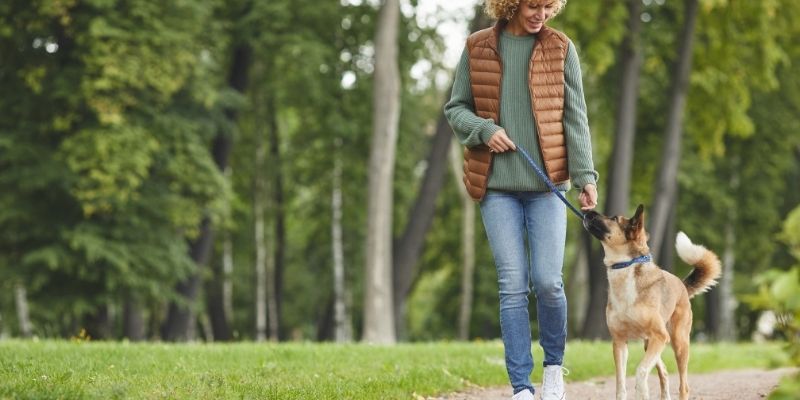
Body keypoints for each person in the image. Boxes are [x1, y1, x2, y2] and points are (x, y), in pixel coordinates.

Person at [444, 1, 598, 399]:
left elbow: (575, 117)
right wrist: (483, 130)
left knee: (548, 281)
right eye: (533, 4)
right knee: (512, 286)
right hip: (496, 187)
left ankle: (553, 368)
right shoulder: (477, 46)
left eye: (548, 6)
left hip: (548, 187)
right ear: (511, 3)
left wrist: (585, 176)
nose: (541, 14)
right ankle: (521, 387)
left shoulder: (561, 48)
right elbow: (455, 108)